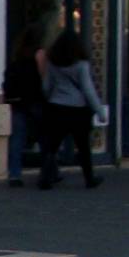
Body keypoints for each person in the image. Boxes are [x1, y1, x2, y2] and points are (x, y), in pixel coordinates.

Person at [39, 28, 109, 190]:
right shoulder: (81, 65)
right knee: (83, 146)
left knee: (52, 145)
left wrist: (49, 98)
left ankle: (46, 177)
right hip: (77, 109)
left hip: (56, 107)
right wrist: (99, 111)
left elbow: (47, 86)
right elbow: (88, 89)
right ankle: (89, 178)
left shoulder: (52, 63)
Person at [0, 23, 46, 188]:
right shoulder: (39, 53)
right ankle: (48, 172)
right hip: (34, 99)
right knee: (43, 138)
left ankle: (15, 174)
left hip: (18, 101)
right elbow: (43, 78)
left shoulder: (17, 53)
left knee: (17, 139)